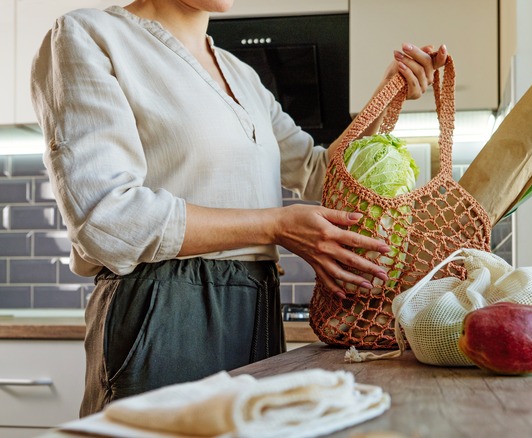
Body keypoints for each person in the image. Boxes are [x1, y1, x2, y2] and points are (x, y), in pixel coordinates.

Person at [30, 0, 447, 416]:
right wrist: (274, 226)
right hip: (162, 308)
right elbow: (106, 220)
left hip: (256, 304)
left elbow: (321, 173)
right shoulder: (89, 34)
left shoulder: (240, 74)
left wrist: (387, 91)